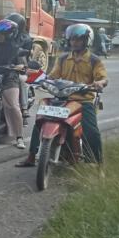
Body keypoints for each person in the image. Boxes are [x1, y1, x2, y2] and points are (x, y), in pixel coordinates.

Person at [16, 23, 108, 168]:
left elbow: (102, 78)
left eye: (78, 39)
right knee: (40, 121)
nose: (74, 42)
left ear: (86, 41)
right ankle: (31, 156)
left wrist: (99, 83)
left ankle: (96, 163)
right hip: (61, 98)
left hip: (82, 100)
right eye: (72, 39)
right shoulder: (63, 58)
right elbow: (52, 76)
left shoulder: (94, 60)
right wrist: (41, 79)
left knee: (91, 130)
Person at [0, 19, 25, 149]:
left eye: (2, 35)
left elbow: (23, 65)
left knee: (13, 106)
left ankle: (19, 137)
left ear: (10, 35)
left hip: (9, 79)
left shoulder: (16, 49)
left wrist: (18, 67)